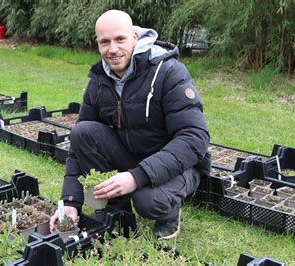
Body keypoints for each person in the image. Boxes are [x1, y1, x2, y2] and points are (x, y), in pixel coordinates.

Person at [49, 9, 210, 239]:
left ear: (134, 37)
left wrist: (136, 177)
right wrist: (70, 201)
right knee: (82, 132)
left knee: (148, 201)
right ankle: (119, 207)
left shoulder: (168, 72)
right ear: (97, 44)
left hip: (177, 164)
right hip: (133, 155)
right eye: (105, 42)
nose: (112, 49)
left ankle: (170, 211)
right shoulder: (99, 80)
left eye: (120, 39)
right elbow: (78, 146)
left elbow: (195, 138)